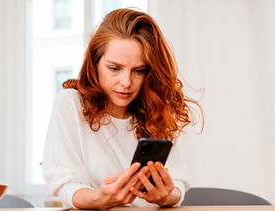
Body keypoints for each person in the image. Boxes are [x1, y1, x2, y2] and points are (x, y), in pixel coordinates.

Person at [42, 8, 203, 209]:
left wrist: (165, 197)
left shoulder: (156, 109)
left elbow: (178, 183)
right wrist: (96, 199)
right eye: (114, 68)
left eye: (138, 71)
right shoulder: (71, 103)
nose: (126, 82)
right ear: (95, 63)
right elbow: (63, 182)